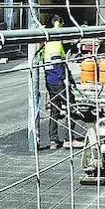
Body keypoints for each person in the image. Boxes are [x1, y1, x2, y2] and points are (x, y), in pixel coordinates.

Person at [37, 18, 81, 150]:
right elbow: (58, 64)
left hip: (50, 81)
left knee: (55, 110)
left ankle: (54, 140)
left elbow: (55, 62)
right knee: (71, 107)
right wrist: (66, 79)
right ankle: (69, 139)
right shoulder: (55, 41)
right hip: (58, 81)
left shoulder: (46, 42)